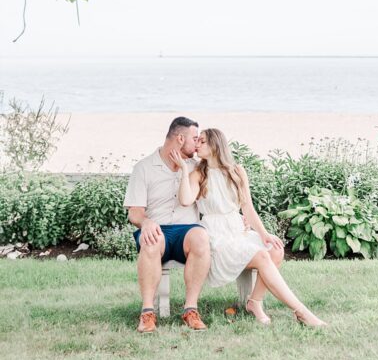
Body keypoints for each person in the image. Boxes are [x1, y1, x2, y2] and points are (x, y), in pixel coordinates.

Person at [178, 128, 326, 327]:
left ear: (215, 145)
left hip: (237, 228)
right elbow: (186, 200)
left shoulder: (236, 171)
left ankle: (254, 302)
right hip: (216, 234)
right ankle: (301, 311)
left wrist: (264, 234)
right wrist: (183, 170)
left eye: (202, 141)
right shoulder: (198, 174)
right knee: (263, 256)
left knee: (274, 250)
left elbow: (247, 207)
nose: (197, 144)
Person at [124, 116, 211, 333]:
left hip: (186, 232)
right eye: (194, 138)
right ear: (180, 138)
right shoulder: (144, 167)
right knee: (152, 240)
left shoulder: (197, 167)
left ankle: (191, 309)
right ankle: (147, 313)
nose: (198, 142)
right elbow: (134, 213)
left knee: (201, 237)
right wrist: (146, 222)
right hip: (157, 229)